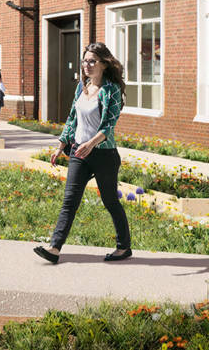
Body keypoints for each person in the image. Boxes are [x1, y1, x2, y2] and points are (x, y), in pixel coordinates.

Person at [34, 42, 131, 263]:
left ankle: (124, 247)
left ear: (104, 64)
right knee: (70, 200)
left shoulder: (111, 90)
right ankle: (54, 249)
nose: (87, 65)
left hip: (103, 154)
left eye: (92, 61)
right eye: (85, 61)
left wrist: (92, 143)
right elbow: (72, 118)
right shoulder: (82, 87)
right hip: (79, 151)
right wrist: (61, 146)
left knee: (110, 201)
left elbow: (109, 124)